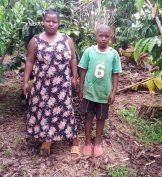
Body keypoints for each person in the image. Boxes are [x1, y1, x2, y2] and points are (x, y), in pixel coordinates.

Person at [23, 8, 80, 157]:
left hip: (61, 84)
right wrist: (25, 82)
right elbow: (29, 61)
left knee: (66, 109)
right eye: (48, 21)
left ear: (59, 23)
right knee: (45, 111)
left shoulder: (67, 39)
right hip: (42, 85)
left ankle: (74, 139)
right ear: (43, 22)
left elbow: (73, 59)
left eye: (54, 21)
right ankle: (47, 140)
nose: (51, 24)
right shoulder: (35, 41)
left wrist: (74, 77)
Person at [78, 24, 122, 157]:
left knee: (101, 118)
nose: (103, 38)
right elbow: (83, 70)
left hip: (104, 94)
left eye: (106, 36)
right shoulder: (89, 51)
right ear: (96, 36)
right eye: (100, 36)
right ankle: (87, 142)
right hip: (90, 92)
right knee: (88, 116)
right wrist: (81, 89)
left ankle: (97, 142)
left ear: (111, 37)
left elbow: (115, 73)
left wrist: (113, 92)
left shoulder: (113, 54)